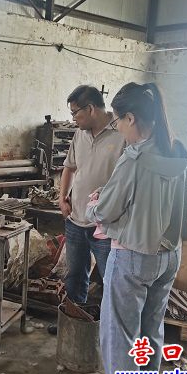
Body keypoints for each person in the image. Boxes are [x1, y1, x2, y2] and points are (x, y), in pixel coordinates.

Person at [86, 82, 187, 374]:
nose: (118, 129)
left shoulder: (133, 159)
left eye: (118, 121)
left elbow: (105, 211)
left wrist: (93, 204)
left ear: (130, 118)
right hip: (169, 255)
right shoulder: (175, 149)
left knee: (121, 339)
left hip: (133, 256)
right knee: (150, 333)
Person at [49, 85, 125, 335]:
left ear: (91, 109)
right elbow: (69, 167)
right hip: (76, 219)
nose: (73, 119)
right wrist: (62, 198)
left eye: (75, 113)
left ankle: (108, 331)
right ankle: (74, 323)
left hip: (105, 225)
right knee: (74, 276)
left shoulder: (122, 132)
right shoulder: (79, 134)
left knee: (109, 279)